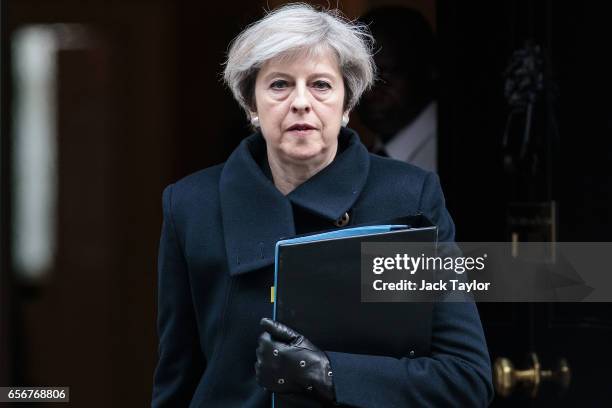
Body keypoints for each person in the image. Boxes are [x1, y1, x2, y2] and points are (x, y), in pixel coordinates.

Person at [151, 3, 493, 407]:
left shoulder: (408, 196)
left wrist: (327, 373)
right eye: (279, 84)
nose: (300, 102)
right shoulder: (191, 204)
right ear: (250, 104)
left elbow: (467, 378)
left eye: (321, 85)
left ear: (348, 105)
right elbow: (176, 381)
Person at [356, 7, 439, 172]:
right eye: (360, 77)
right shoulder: (361, 157)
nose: (369, 92)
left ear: (429, 71)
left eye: (387, 74)